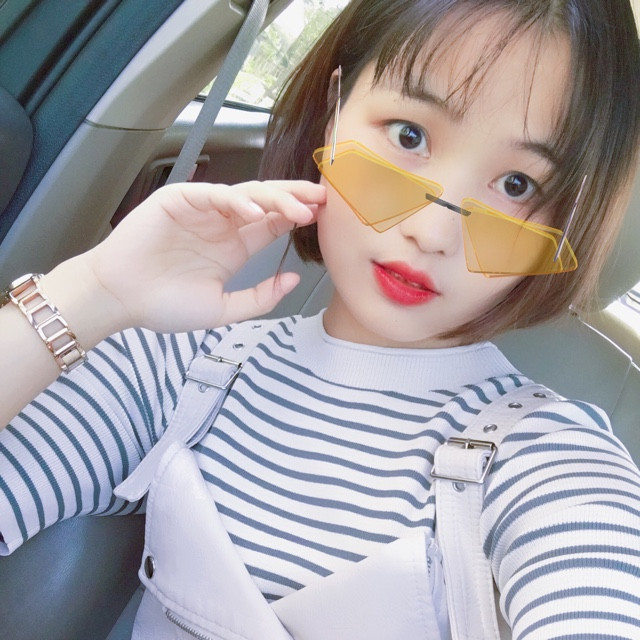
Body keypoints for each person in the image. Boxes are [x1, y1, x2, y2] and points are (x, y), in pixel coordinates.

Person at [1, 0, 639, 638]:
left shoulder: (550, 458)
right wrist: (94, 292)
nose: (433, 232)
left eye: (518, 185)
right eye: (408, 135)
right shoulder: (184, 366)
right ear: (334, 110)